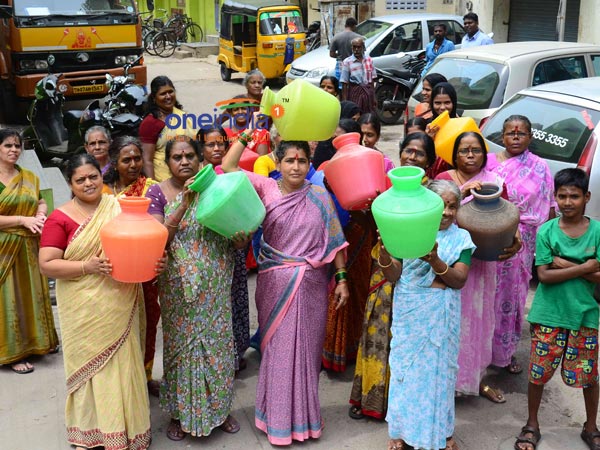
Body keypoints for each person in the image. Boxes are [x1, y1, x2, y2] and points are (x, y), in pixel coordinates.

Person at [221, 129, 349, 446]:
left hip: (312, 286)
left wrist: (342, 279)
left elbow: (335, 239)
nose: (296, 166)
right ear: (277, 162)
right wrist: (245, 138)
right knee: (278, 353)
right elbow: (229, 167)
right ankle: (276, 420)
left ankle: (305, 421)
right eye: (289, 160)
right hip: (275, 284)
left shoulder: (319, 195)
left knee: (307, 354)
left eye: (302, 161)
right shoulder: (266, 187)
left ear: (309, 164)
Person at [39, 153, 163, 450]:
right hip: (83, 305)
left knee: (123, 364)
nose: (88, 183)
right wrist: (87, 266)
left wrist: (156, 261)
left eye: (93, 176)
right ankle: (93, 431)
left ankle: (127, 430)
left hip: (121, 301)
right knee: (91, 366)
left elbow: (143, 243)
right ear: (70, 183)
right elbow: (47, 264)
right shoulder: (60, 218)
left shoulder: (119, 207)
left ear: (101, 175)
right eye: (80, 179)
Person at [146, 136, 244, 441]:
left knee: (218, 346)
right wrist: (184, 204)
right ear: (167, 162)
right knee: (180, 349)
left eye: (189, 155)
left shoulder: (217, 188)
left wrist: (241, 240)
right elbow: (157, 240)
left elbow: (234, 231)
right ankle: (179, 414)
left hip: (215, 282)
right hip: (178, 287)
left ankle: (220, 410)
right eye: (177, 157)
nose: (184, 161)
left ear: (200, 158)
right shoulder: (157, 192)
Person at [349, 132, 435, 421]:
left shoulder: (434, 196)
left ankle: (402, 405)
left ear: (429, 161)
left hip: (419, 275)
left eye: (419, 153)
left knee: (408, 342)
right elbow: (369, 225)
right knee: (377, 331)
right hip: (383, 272)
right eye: (408, 151)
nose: (412, 157)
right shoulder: (385, 188)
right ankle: (369, 398)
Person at [384, 180, 475, 450]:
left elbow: (459, 280)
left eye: (452, 206)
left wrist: (435, 260)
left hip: (441, 317)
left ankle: (442, 432)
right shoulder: (408, 230)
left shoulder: (461, 239)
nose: (446, 212)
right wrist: (386, 254)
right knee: (405, 370)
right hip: (410, 312)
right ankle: (401, 432)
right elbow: (393, 275)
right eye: (441, 206)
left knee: (440, 374)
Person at [514, 168, 600, 450]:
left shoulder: (598, 231)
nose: (567, 202)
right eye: (562, 196)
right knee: (538, 373)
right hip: (548, 314)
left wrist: (563, 264)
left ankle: (591, 427)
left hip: (584, 315)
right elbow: (544, 276)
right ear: (555, 197)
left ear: (587, 197)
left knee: (589, 375)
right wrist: (586, 267)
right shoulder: (546, 231)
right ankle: (532, 424)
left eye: (574, 196)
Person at [436, 132, 519, 403]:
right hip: (446, 261)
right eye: (464, 150)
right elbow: (430, 214)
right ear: (455, 155)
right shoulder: (444, 180)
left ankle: (475, 379)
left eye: (476, 150)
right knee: (448, 323)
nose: (470, 156)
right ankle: (443, 382)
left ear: (485, 154)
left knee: (478, 322)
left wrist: (515, 241)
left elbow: (508, 218)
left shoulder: (495, 182)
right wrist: (460, 193)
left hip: (482, 266)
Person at [487, 115, 555, 375]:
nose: (515, 137)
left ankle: (506, 351)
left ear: (530, 137)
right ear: (502, 136)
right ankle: (483, 351)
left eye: (521, 133)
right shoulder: (489, 163)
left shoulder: (540, 167)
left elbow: (549, 205)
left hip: (524, 242)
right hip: (492, 236)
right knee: (487, 295)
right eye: (510, 133)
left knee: (513, 297)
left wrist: (549, 246)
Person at [100, 135, 161, 395]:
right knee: (115, 324)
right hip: (109, 269)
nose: (134, 164)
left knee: (148, 322)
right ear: (115, 162)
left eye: (137, 158)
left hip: (143, 268)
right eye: (127, 160)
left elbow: (157, 228)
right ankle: (119, 380)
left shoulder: (151, 188)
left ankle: (144, 376)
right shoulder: (101, 191)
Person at [0, 128, 58, 375]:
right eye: (8, 145)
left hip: (29, 246)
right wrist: (23, 220)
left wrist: (40, 214)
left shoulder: (29, 177)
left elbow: (41, 200)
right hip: (4, 248)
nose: (14, 150)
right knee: (8, 298)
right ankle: (13, 353)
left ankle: (38, 343)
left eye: (17, 146)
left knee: (31, 294)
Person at [198, 126, 250, 372]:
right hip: (207, 251)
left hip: (233, 246)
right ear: (201, 148)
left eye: (221, 143)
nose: (217, 148)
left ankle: (235, 355)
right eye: (211, 144)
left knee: (234, 302)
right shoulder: (197, 177)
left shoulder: (232, 173)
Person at [139, 75, 195, 181]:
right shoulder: (150, 123)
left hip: (190, 176)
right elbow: (147, 160)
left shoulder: (182, 116)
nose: (168, 96)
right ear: (154, 98)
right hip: (163, 180)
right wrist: (154, 186)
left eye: (170, 92)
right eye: (163, 94)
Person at [425, 82, 459, 179]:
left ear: (454, 103)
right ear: (432, 103)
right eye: (437, 103)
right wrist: (428, 140)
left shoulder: (461, 124)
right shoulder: (427, 126)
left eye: (447, 102)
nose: (442, 107)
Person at [341, 37, 377, 115]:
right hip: (355, 93)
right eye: (354, 47)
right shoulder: (347, 62)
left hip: (368, 93)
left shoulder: (369, 60)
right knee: (355, 114)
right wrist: (345, 101)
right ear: (352, 48)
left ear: (363, 47)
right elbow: (344, 83)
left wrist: (374, 97)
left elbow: (372, 80)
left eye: (359, 47)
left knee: (368, 115)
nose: (356, 49)